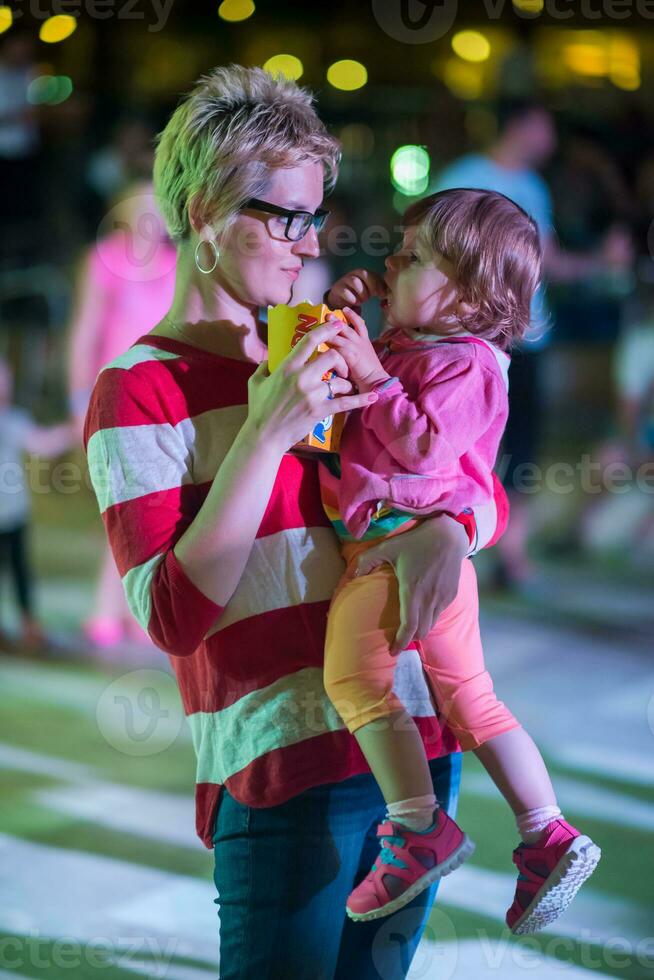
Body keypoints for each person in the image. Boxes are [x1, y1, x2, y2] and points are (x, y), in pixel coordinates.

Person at [84, 66, 508, 978]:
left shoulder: (321, 336)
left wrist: (450, 530)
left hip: (414, 758)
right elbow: (170, 615)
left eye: (315, 216)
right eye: (282, 215)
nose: (305, 242)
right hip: (281, 772)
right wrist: (265, 434)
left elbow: (462, 469)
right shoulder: (138, 391)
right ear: (203, 212)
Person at [319, 189, 600, 933]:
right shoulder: (414, 344)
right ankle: (546, 833)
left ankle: (416, 827)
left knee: (353, 680)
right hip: (421, 555)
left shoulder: (473, 364)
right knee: (472, 700)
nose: (390, 262)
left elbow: (422, 447)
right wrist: (347, 320)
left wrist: (371, 371)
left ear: (472, 296)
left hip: (395, 547)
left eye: (413, 257)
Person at [434, 99, 632, 585]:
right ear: (520, 126)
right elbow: (434, 252)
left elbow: (548, 262)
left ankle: (511, 551)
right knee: (455, 445)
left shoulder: (532, 186)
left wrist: (600, 265)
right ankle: (445, 550)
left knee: (520, 448)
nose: (551, 137)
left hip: (524, 338)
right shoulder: (465, 176)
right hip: (470, 338)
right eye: (544, 125)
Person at [68, 179, 176, 648]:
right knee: (118, 506)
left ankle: (127, 611)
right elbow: (84, 330)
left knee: (149, 509)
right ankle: (107, 609)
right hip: (111, 400)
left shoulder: (177, 266)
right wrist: (77, 398)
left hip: (160, 401)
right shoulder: (104, 260)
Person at [0, 358, 75, 651]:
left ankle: (28, 623)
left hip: (13, 514)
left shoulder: (14, 421)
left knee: (20, 571)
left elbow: (42, 444)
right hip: (12, 513)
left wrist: (70, 432)